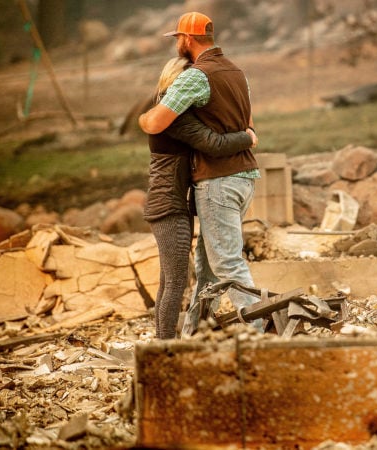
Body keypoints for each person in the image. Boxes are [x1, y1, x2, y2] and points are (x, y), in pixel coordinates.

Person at [139, 11, 263, 336]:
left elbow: (154, 122)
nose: (177, 43)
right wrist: (249, 137)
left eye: (178, 38)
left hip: (219, 180)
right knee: (205, 268)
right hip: (245, 176)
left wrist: (145, 119)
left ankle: (263, 328)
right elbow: (246, 123)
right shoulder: (237, 73)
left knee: (225, 263)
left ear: (188, 39)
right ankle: (191, 333)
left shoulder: (196, 76)